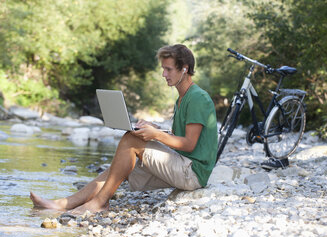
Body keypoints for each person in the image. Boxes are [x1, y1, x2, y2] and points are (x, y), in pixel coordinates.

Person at [30, 44, 218, 214]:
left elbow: (190, 144)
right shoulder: (182, 97)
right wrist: (157, 129)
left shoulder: (197, 98)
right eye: (163, 69)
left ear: (184, 69)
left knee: (131, 139)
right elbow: (182, 137)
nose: (163, 74)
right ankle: (63, 204)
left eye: (168, 69)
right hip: (181, 166)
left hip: (192, 174)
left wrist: (157, 135)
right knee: (118, 168)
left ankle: (100, 202)